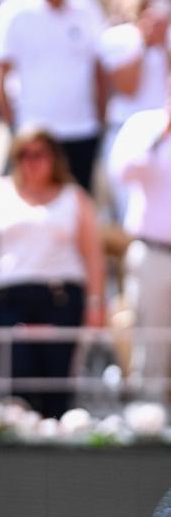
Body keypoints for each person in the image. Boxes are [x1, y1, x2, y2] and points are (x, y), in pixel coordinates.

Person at [0, 127, 105, 418]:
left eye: (39, 154)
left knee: (57, 388)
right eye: (23, 155)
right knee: (16, 389)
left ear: (54, 158)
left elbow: (93, 255)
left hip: (61, 299)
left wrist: (96, 302)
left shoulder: (74, 197)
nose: (31, 162)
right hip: (11, 301)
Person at [0, 0, 106, 190]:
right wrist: (13, 124)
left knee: (78, 205)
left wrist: (100, 118)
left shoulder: (89, 10)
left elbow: (99, 70)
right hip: (33, 129)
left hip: (82, 128)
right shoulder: (13, 13)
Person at [108, 87, 171, 397]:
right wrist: (163, 133)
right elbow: (124, 172)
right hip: (154, 251)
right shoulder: (143, 125)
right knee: (151, 344)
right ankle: (150, 424)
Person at [99, 0, 171, 219]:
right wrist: (145, 41)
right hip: (125, 133)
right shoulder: (117, 37)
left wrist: (163, 45)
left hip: (165, 137)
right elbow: (127, 87)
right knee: (131, 213)